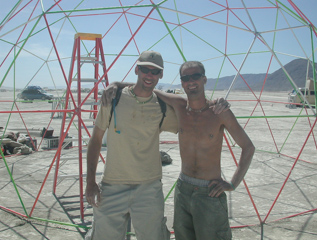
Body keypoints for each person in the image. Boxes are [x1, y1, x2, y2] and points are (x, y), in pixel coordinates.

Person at [85, 50, 229, 240]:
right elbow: (95, 141)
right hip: (112, 186)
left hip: (148, 189)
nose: (149, 75)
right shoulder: (113, 100)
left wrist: (217, 104)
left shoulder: (162, 107)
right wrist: (90, 182)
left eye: (155, 72)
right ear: (137, 70)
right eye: (145, 69)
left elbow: (196, 115)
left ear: (161, 75)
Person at [153, 61, 255, 240]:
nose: (191, 81)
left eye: (196, 76)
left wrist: (232, 184)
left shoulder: (218, 112)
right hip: (183, 189)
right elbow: (151, 89)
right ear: (182, 83)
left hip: (209, 192)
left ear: (204, 79)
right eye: (186, 78)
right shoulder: (179, 106)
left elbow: (248, 147)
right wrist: (115, 85)